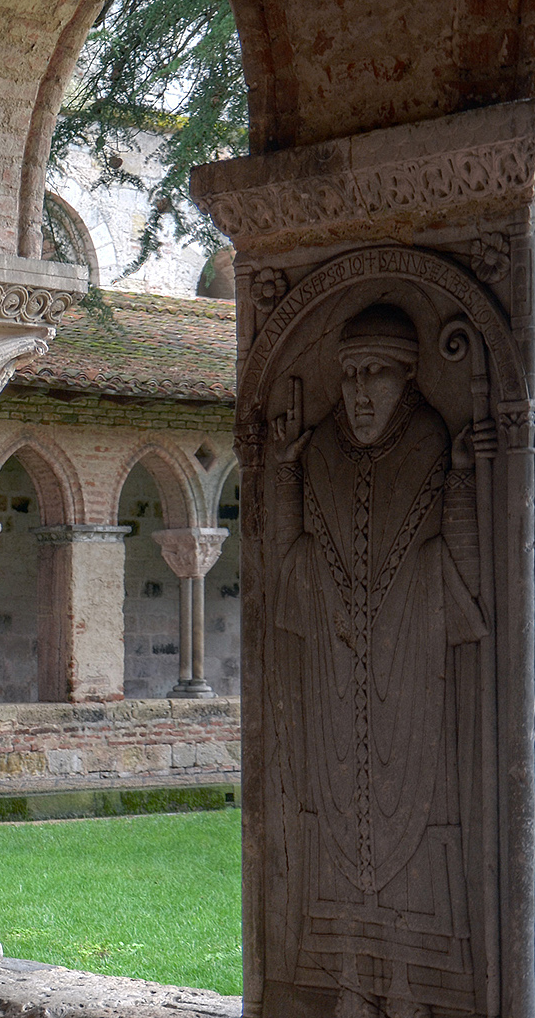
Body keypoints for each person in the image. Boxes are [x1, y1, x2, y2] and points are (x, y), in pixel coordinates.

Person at [269, 300, 489, 1016]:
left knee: (420, 821)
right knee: (331, 818)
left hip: (411, 672)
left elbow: (457, 565)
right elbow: (294, 562)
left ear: (410, 378)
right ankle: (352, 982)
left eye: (377, 375)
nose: (360, 391)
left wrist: (460, 476)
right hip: (335, 686)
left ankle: (411, 985)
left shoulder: (429, 442)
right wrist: (284, 473)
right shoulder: (323, 451)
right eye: (352, 374)